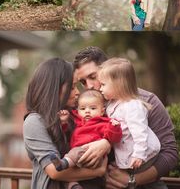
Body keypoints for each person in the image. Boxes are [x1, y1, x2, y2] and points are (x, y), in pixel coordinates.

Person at [73, 46, 178, 189]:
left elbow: (170, 154)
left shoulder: (145, 102)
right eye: (83, 82)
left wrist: (133, 179)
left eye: (93, 77)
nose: (89, 86)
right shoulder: (84, 109)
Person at [23, 58, 108, 189]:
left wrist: (106, 143)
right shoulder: (34, 121)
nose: (78, 92)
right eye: (72, 87)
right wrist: (99, 171)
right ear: (54, 87)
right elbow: (54, 171)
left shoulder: (75, 115)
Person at [99, 58, 161, 176]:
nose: (100, 88)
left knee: (152, 184)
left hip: (144, 153)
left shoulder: (132, 106)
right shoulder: (112, 104)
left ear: (118, 84)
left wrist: (139, 154)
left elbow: (140, 133)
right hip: (128, 152)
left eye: (103, 84)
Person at [50, 89, 122, 189]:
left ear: (102, 111)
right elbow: (67, 134)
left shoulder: (103, 123)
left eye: (93, 108)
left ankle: (63, 163)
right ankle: (74, 186)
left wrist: (115, 127)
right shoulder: (76, 121)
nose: (87, 111)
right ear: (78, 110)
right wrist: (64, 122)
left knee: (75, 153)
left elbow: (114, 137)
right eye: (83, 109)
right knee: (68, 177)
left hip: (92, 155)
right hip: (77, 160)